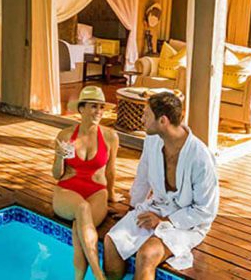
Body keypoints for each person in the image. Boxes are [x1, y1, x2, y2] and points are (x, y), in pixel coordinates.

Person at [103, 92, 219, 280]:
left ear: (163, 120)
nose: (142, 119)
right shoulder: (153, 140)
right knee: (112, 242)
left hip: (187, 222)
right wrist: (132, 209)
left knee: (147, 254)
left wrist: (166, 221)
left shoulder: (201, 158)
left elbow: (206, 210)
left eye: (146, 115)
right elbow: (143, 176)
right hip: (156, 208)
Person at [53, 86, 120, 280]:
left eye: (101, 107)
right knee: (82, 209)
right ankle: (99, 275)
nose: (98, 111)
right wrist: (58, 158)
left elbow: (111, 170)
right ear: (81, 109)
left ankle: (78, 278)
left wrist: (112, 194)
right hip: (68, 189)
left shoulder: (110, 136)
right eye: (93, 106)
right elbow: (57, 174)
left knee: (78, 229)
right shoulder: (65, 136)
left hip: (97, 191)